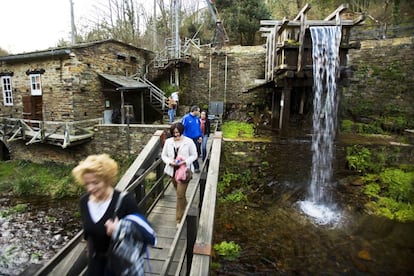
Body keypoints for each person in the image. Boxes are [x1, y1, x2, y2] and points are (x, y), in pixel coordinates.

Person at [72, 153, 144, 276]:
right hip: (96, 265)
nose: (90, 188)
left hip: (121, 265)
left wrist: (120, 229)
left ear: (106, 179)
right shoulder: (84, 201)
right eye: (87, 184)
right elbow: (88, 234)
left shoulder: (125, 201)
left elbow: (142, 233)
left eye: (95, 183)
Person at [161, 122, 198, 226]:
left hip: (184, 172)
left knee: (179, 195)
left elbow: (194, 155)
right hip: (172, 171)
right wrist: (169, 162)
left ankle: (179, 219)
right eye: (174, 133)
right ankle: (186, 208)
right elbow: (163, 155)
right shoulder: (168, 142)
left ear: (181, 131)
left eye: (178, 132)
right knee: (180, 195)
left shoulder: (189, 141)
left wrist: (185, 161)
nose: (176, 134)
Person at [181, 106, 202, 173]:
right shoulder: (186, 118)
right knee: (188, 153)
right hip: (188, 138)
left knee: (194, 152)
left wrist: (200, 136)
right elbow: (182, 128)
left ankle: (195, 167)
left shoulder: (197, 118)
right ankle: (192, 167)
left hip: (196, 138)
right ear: (194, 111)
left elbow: (199, 128)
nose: (199, 112)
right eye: (198, 111)